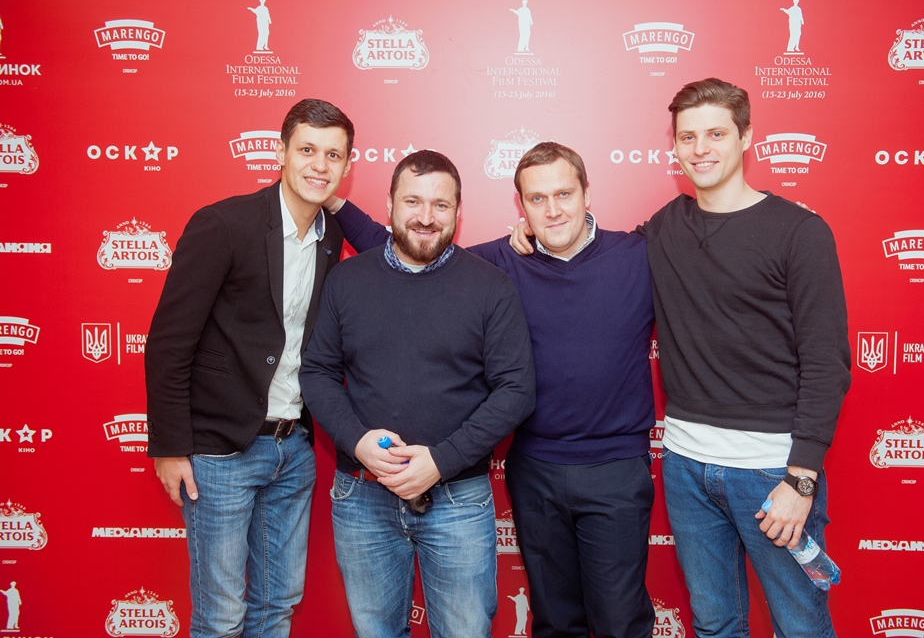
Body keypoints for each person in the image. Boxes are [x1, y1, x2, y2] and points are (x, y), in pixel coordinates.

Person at [511, 79, 851, 638]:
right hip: (687, 465)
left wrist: (802, 479)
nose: (700, 149)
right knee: (714, 624)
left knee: (800, 623)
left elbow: (826, 362)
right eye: (688, 137)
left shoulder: (800, 232)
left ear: (747, 137)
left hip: (772, 472)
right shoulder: (666, 227)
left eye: (716, 134)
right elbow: (593, 253)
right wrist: (536, 231)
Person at [325, 141, 657, 638]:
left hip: (616, 467)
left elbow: (702, 234)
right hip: (536, 469)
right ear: (520, 206)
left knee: (620, 621)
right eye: (537, 198)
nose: (552, 209)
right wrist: (333, 200)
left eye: (564, 194)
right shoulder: (498, 262)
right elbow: (409, 245)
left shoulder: (638, 255)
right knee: (554, 621)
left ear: (587, 193)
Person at [299, 150, 535, 638]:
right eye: (412, 201)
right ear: (389, 204)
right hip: (362, 495)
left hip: (457, 498)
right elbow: (318, 372)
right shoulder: (347, 280)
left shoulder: (491, 287)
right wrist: (357, 442)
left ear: (458, 211)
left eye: (440, 205)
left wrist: (442, 461)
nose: (426, 217)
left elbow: (516, 390)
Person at [145, 99, 354, 638]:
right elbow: (169, 342)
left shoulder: (331, 236)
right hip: (220, 453)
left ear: (347, 166)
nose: (320, 165)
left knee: (277, 605)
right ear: (281, 153)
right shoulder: (223, 224)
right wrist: (170, 447)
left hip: (294, 450)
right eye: (307, 150)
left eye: (333, 155)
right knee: (221, 616)